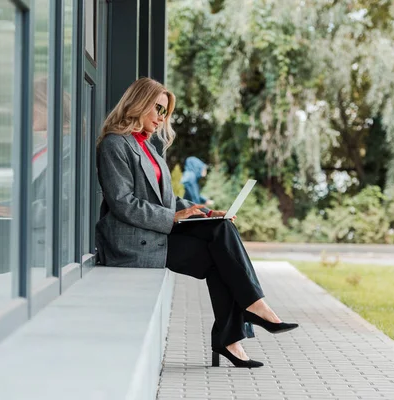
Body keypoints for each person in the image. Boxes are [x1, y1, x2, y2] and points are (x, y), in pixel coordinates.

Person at [95, 77, 298, 368]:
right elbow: (122, 203)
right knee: (221, 256)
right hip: (132, 241)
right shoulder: (115, 144)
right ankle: (245, 320)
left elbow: (167, 198)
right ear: (137, 104)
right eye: (158, 109)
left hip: (155, 233)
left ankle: (242, 324)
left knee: (222, 230)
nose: (162, 118)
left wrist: (202, 212)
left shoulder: (148, 146)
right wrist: (172, 217)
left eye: (165, 112)